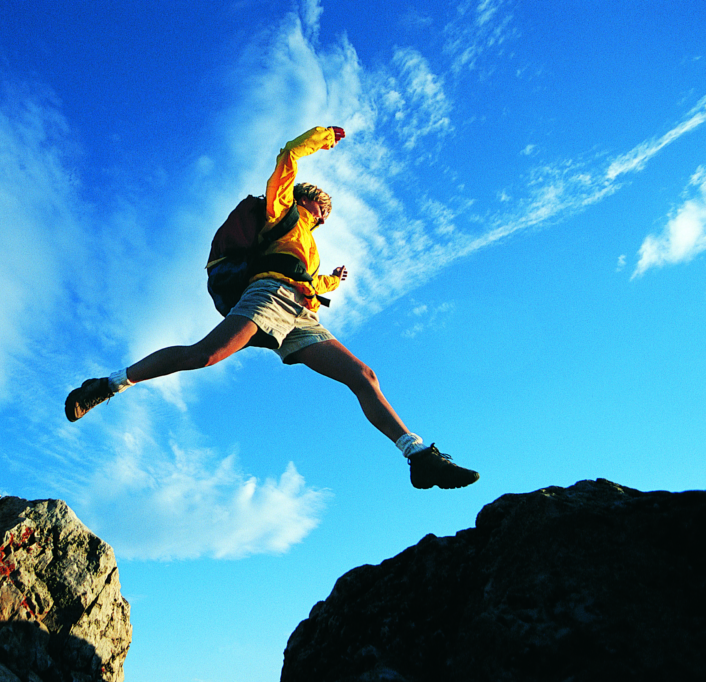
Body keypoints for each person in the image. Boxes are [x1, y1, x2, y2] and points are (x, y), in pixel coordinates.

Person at [65, 126, 479, 490]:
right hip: (268, 295)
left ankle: (419, 457)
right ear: (307, 199)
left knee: (363, 375)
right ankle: (107, 384)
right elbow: (287, 157)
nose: (324, 213)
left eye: (326, 212)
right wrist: (319, 139)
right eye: (321, 206)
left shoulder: (310, 244)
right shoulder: (281, 208)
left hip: (301, 311)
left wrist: (332, 280)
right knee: (203, 355)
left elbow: (309, 280)